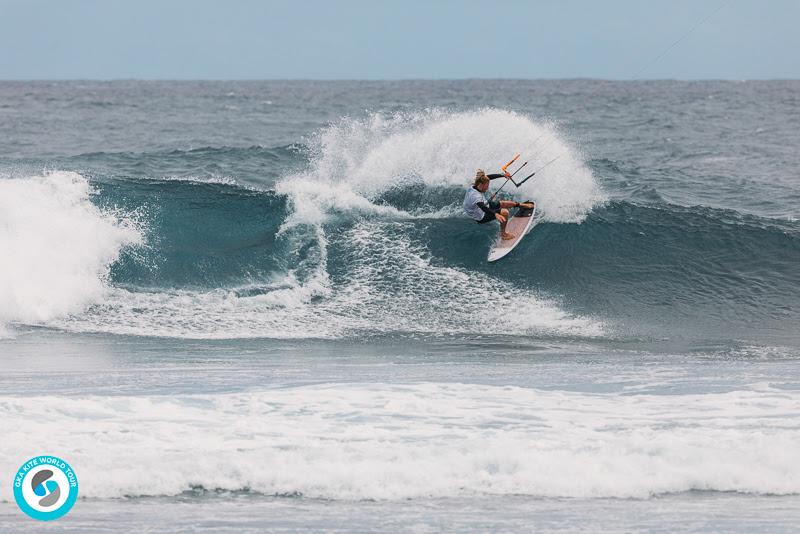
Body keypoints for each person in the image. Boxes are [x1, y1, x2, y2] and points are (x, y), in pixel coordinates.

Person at [463, 169, 533, 240]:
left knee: (503, 203)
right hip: (481, 215)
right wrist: (496, 214)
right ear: (481, 185)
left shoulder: (475, 184)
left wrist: (502, 175)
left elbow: (487, 177)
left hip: (480, 204)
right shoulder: (475, 196)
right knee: (504, 212)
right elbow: (483, 208)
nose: (487, 189)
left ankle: (521, 205)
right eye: (486, 186)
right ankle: (503, 234)